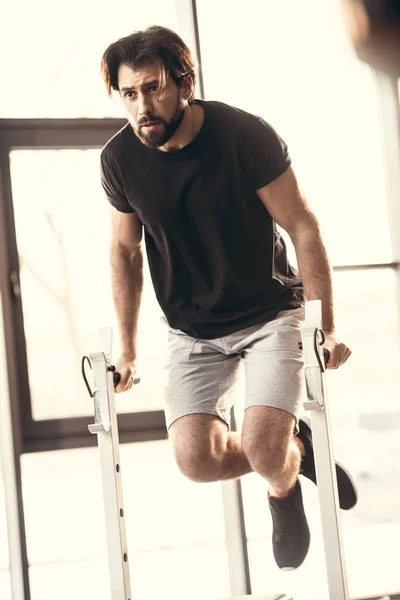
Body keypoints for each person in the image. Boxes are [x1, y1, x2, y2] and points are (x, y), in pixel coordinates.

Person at [99, 25, 357, 570]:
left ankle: (280, 482)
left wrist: (326, 326)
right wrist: (127, 350)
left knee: (263, 450)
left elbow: (302, 227)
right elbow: (125, 253)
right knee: (195, 460)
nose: (142, 105)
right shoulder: (120, 160)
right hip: (191, 328)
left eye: (154, 88)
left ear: (184, 83)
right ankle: (297, 448)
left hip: (268, 314)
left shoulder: (244, 135)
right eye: (129, 94)